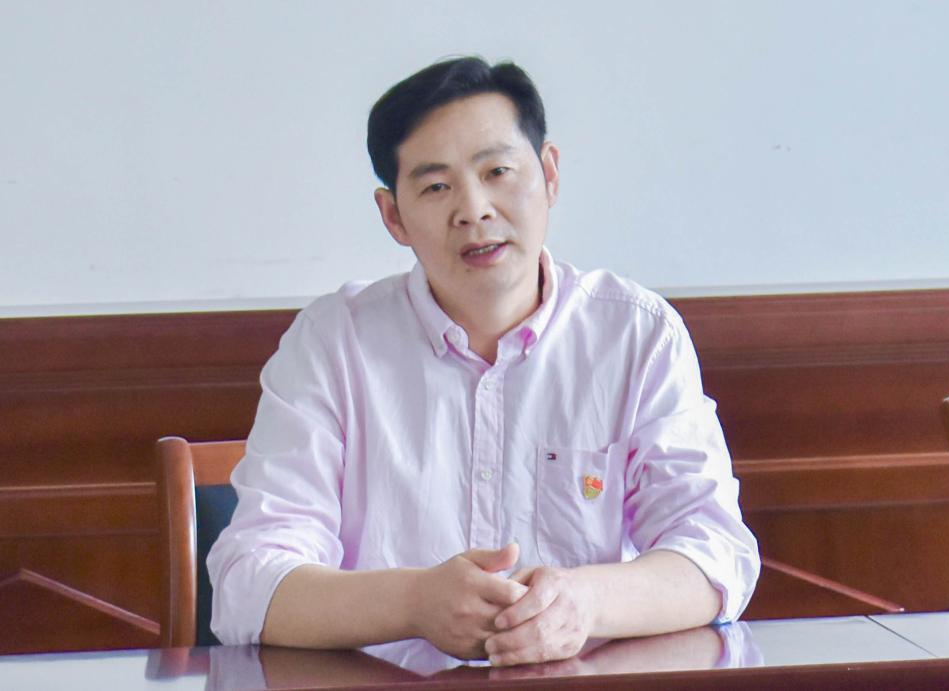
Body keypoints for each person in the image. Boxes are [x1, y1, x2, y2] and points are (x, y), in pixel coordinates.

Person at [208, 56, 760, 667]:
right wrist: (414, 602)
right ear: (393, 216)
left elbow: (715, 553)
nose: (473, 210)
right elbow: (247, 586)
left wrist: (583, 602)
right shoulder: (332, 343)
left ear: (549, 174)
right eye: (436, 187)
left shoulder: (635, 334)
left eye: (497, 171)